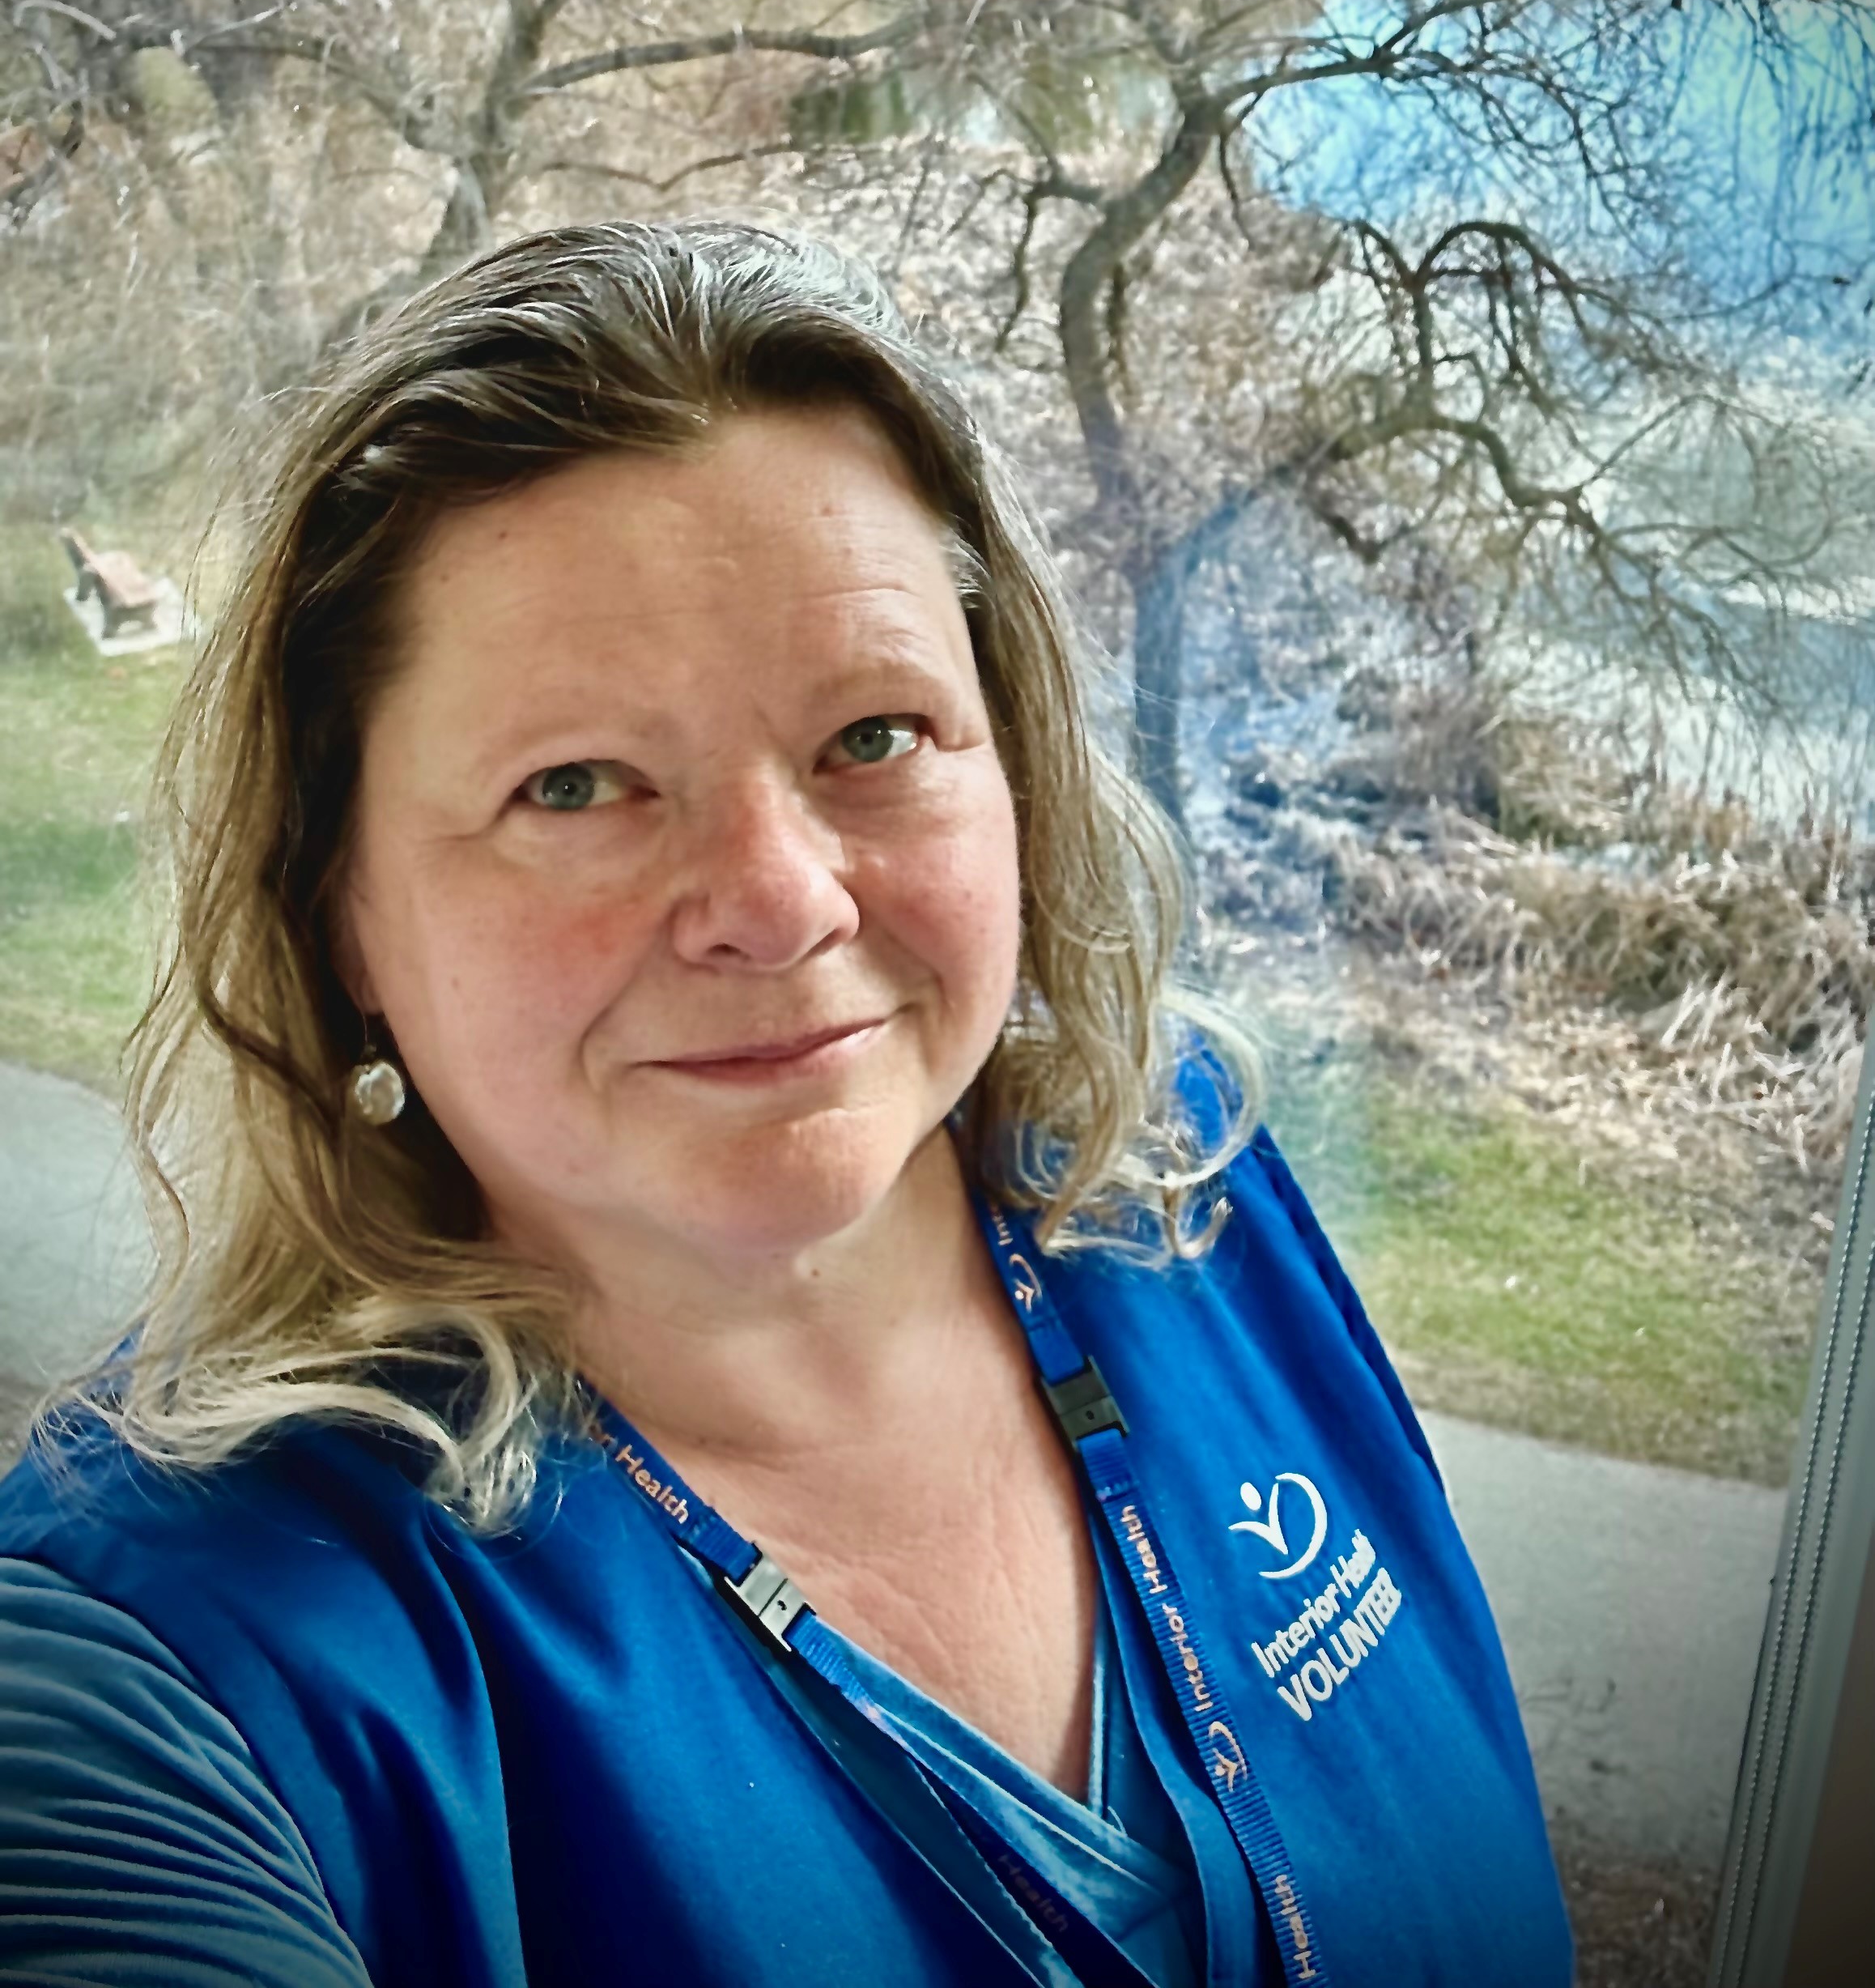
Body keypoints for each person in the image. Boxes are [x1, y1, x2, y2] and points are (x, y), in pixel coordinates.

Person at [0, 223, 1571, 1988]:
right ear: (337, 906)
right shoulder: (155, 1669)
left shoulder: (1181, 1178)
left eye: (875, 735)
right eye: (576, 783)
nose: (780, 895)